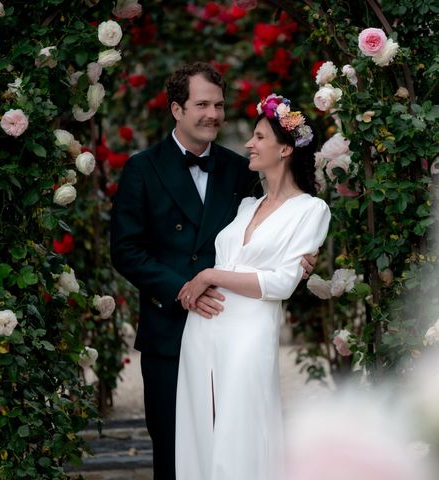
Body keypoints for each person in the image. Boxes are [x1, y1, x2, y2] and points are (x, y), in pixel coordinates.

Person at [110, 64, 316, 480]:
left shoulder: (240, 170)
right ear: (176, 109)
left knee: (230, 452)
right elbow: (126, 251)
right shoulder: (142, 169)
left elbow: (268, 227)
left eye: (219, 105)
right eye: (202, 104)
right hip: (169, 329)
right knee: (175, 454)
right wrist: (185, 288)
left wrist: (299, 257)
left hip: (231, 329)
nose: (214, 114)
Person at [175, 94, 331, 480]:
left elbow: (281, 282)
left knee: (242, 429)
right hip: (203, 327)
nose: (249, 143)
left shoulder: (311, 210)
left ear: (284, 149)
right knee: (199, 429)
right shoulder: (246, 205)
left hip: (251, 331)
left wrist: (209, 276)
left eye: (259, 137)